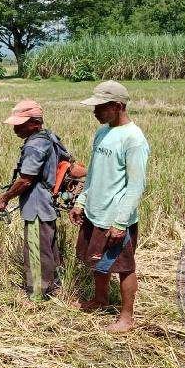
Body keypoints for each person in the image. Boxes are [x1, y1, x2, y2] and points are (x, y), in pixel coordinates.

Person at [69, 80, 150, 332]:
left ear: (117, 106)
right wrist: (81, 201)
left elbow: (136, 186)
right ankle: (100, 299)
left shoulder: (133, 139)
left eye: (100, 107)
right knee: (97, 260)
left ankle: (126, 318)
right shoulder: (102, 133)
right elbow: (93, 173)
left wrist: (121, 222)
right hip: (95, 211)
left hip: (116, 217)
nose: (95, 111)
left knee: (124, 267)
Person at [0, 100, 68, 300]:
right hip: (48, 202)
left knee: (37, 251)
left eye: (21, 124)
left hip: (37, 206)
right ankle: (54, 286)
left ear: (35, 123)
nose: (15, 129)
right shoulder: (49, 137)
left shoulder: (34, 145)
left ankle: (37, 295)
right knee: (48, 247)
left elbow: (26, 180)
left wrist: (5, 197)